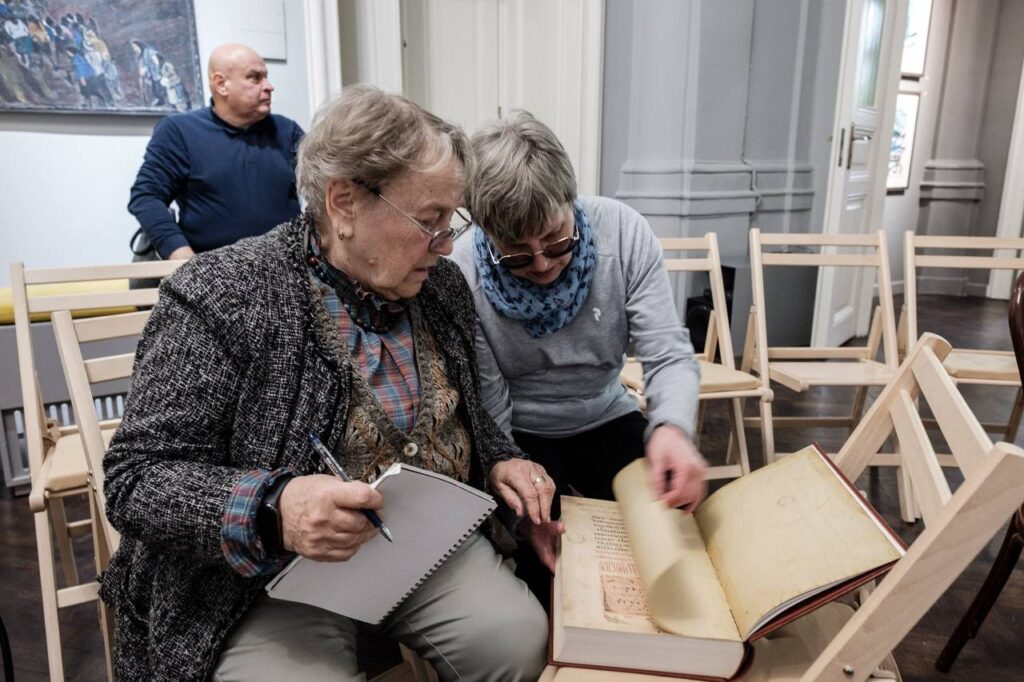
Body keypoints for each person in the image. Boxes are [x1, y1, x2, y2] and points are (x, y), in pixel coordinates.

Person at [101, 85, 554, 682]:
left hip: (420, 539)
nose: (447, 245)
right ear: (343, 203)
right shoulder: (225, 293)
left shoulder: (440, 287)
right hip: (267, 574)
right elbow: (134, 481)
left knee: (519, 641)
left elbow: (468, 411)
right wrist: (274, 508)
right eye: (429, 222)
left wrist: (500, 459)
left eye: (452, 221)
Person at [450, 110, 707, 604]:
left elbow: (668, 354)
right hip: (521, 430)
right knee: (546, 566)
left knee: (670, 534)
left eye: (556, 240)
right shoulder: (462, 271)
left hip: (605, 411)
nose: (542, 264)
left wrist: (673, 427)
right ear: (485, 231)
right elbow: (489, 402)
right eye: (517, 255)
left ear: (571, 199)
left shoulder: (623, 232)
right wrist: (515, 490)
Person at [127, 42, 303, 260]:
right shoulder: (180, 132)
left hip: (286, 269)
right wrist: (181, 257)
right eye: (255, 78)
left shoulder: (287, 131)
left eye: (266, 77)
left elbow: (327, 189)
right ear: (221, 85)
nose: (269, 86)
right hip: (213, 272)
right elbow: (146, 196)